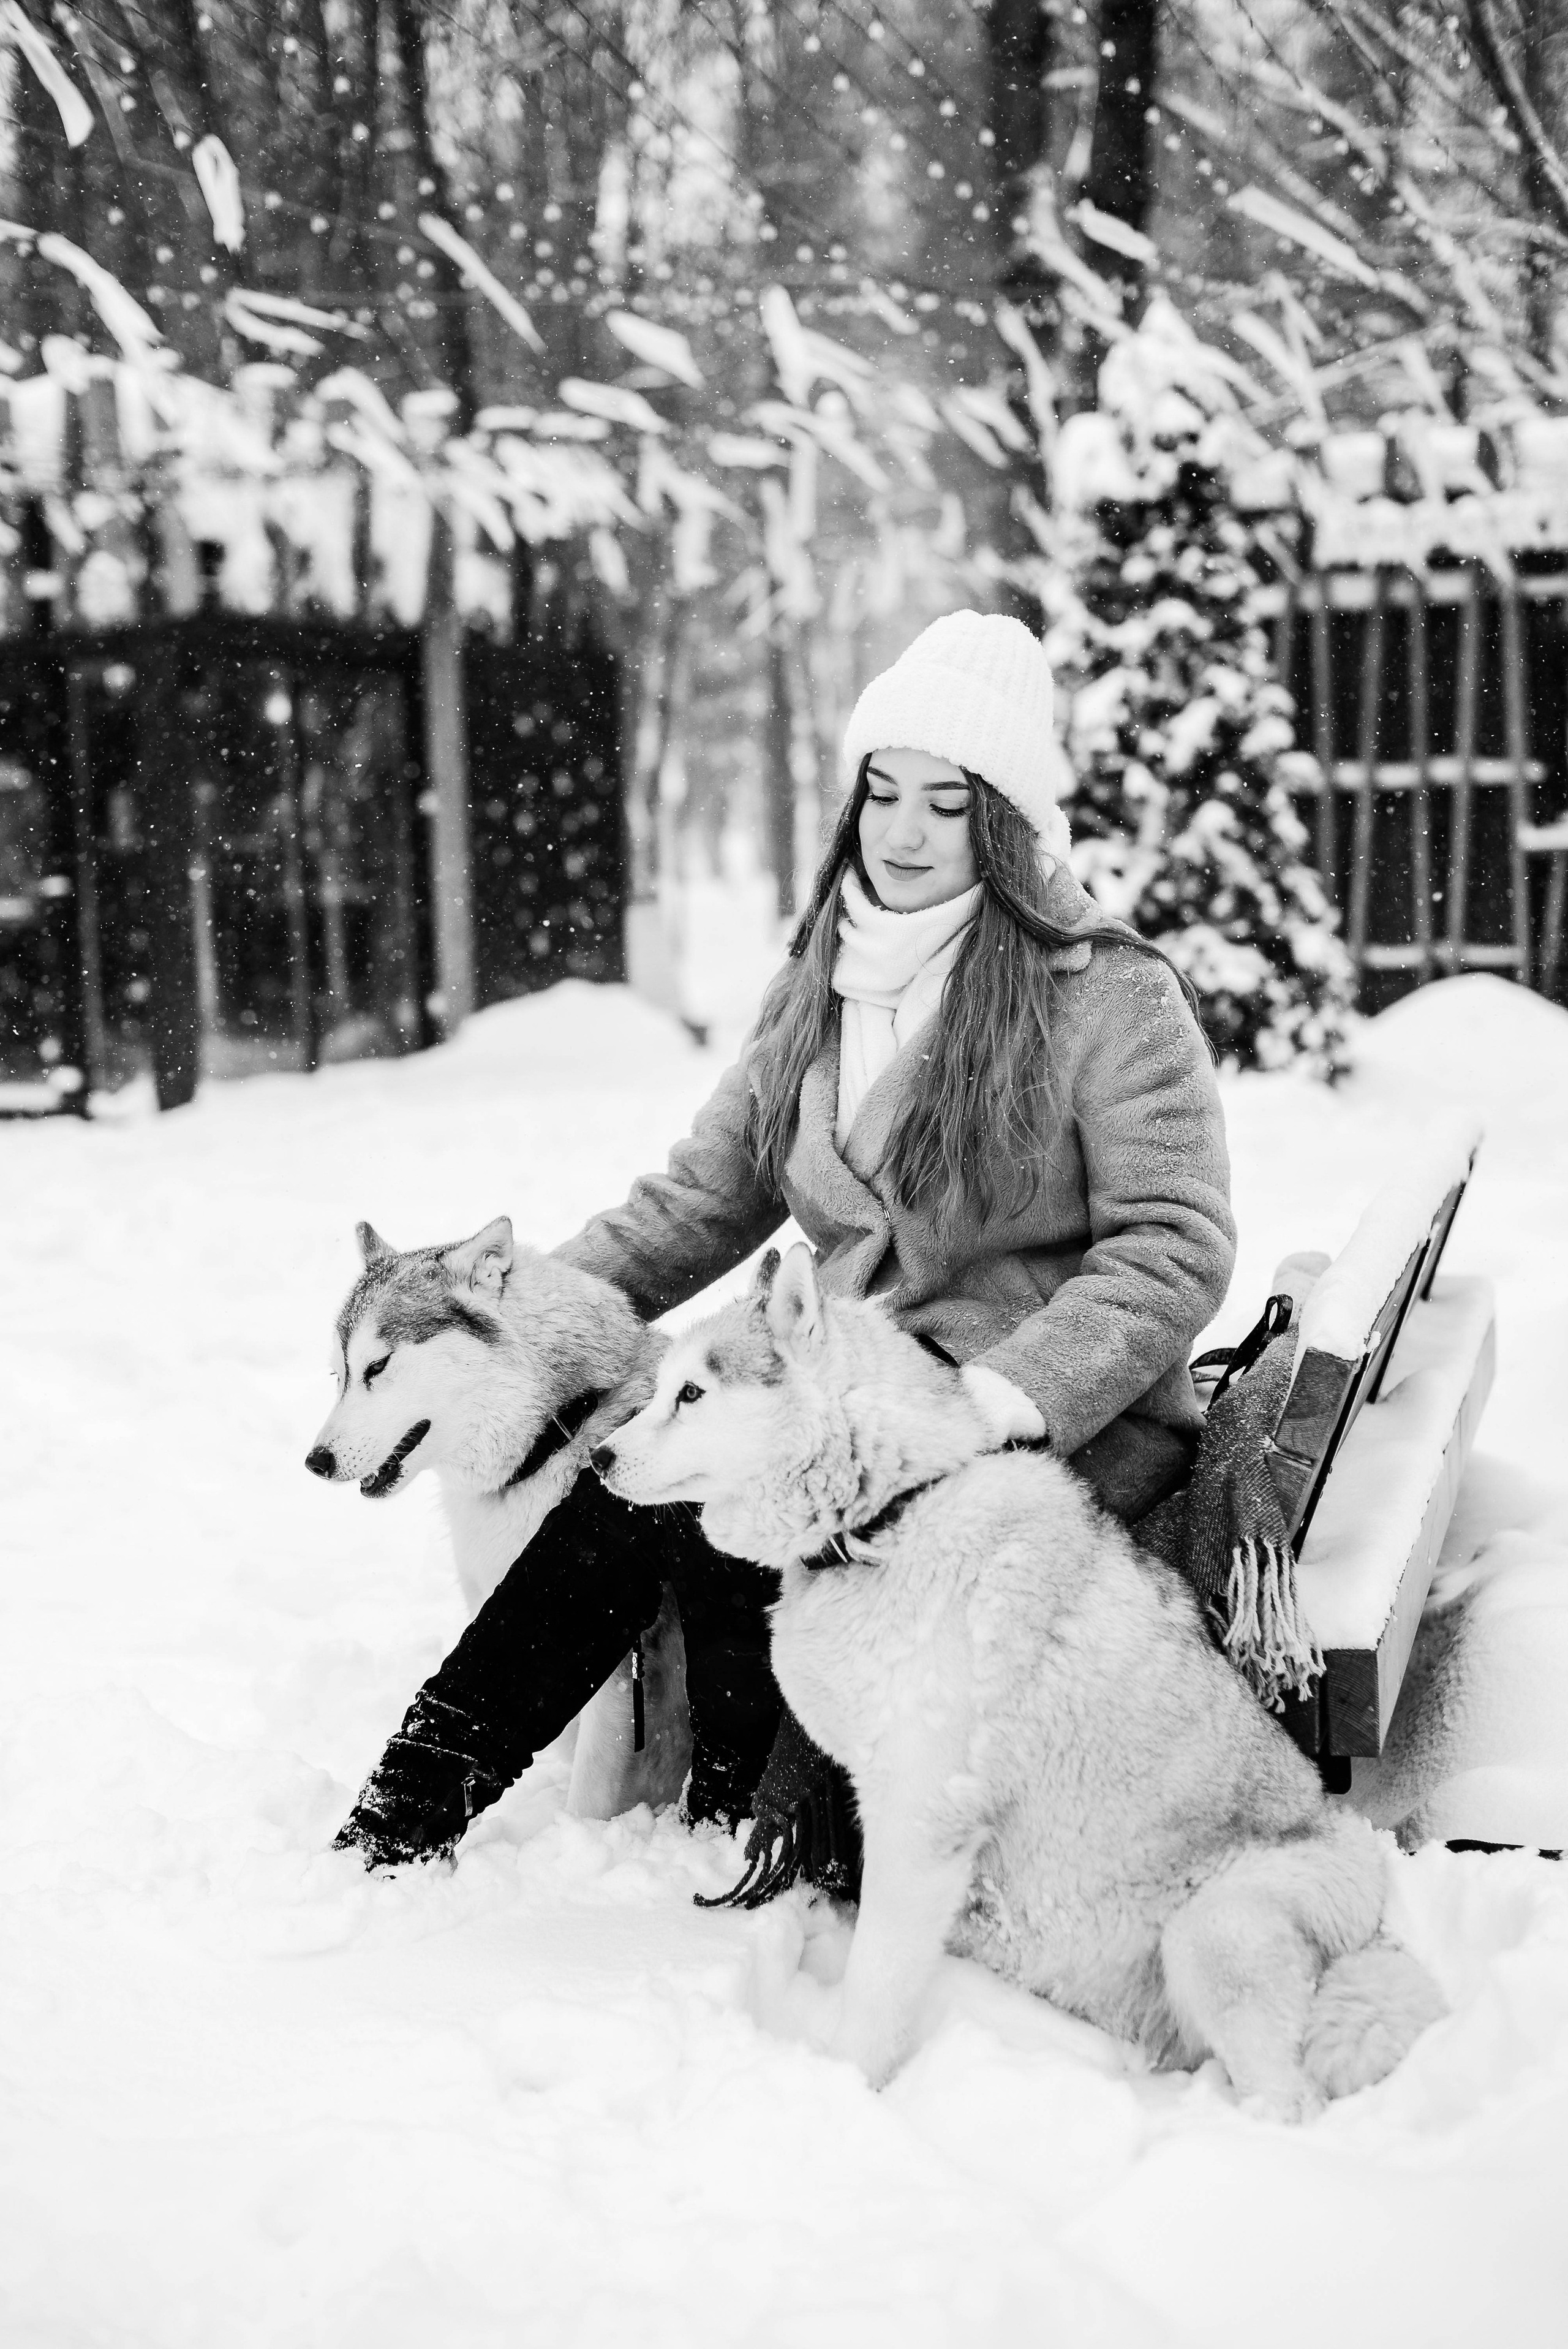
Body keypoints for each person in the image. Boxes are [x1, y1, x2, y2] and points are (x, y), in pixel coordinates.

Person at [334, 610, 1236, 1878]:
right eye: (882, 795)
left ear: (1008, 822)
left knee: (697, 1485)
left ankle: (729, 1830)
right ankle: (410, 1815)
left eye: (946, 804)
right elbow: (703, 1197)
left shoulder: (1104, 994)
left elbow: (1170, 1246)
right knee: (632, 1469)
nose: (904, 833)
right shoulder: (822, 978)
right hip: (824, 1392)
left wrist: (1002, 1400)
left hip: (1022, 1424)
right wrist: (523, 1315)